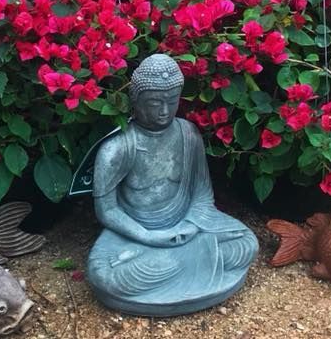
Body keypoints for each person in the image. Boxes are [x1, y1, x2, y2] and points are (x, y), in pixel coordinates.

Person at [86, 54, 257, 316]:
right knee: (106, 276)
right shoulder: (118, 148)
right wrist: (149, 236)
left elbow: (201, 195)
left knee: (247, 244)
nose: (165, 111)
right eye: (155, 103)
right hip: (135, 234)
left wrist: (188, 226)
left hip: (188, 226)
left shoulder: (188, 134)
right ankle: (194, 263)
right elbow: (107, 211)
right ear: (136, 101)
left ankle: (183, 262)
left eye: (172, 101)